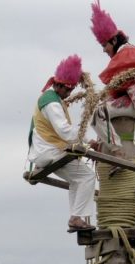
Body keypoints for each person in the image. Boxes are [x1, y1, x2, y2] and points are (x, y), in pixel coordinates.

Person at [29, 54, 97, 232]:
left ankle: (76, 216)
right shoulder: (51, 102)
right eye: (68, 90)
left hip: (44, 151)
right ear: (58, 85)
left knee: (78, 179)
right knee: (87, 176)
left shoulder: (51, 99)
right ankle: (76, 218)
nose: (70, 94)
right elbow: (64, 130)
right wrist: (90, 140)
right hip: (49, 151)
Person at [89, 1, 135, 159]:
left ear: (113, 41)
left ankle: (117, 151)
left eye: (104, 45)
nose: (104, 50)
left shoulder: (127, 52)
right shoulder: (127, 52)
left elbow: (123, 84)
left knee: (99, 113)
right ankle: (106, 146)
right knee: (102, 109)